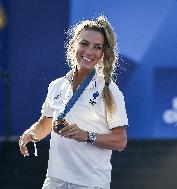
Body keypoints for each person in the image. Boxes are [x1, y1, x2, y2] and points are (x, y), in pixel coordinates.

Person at [18, 15, 128, 189]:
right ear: (73, 45)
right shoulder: (56, 85)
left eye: (97, 47)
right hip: (54, 181)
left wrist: (87, 136)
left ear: (102, 53)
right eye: (84, 44)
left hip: (91, 184)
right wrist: (31, 134)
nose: (89, 52)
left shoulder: (109, 90)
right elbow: (46, 123)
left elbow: (120, 141)